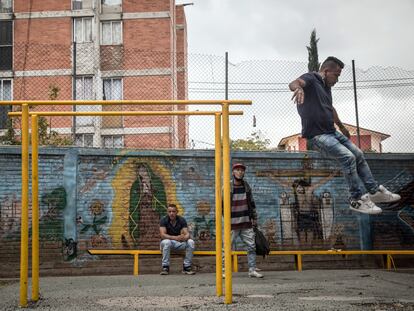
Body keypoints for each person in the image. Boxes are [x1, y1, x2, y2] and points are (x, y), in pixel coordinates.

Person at [289, 56, 400, 215]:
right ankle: (356, 199)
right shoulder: (311, 78)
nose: (337, 80)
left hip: (332, 132)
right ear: (326, 71)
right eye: (337, 75)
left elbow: (330, 108)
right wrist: (298, 88)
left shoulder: (326, 87)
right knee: (348, 157)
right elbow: (294, 83)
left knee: (359, 154)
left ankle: (374, 192)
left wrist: (341, 127)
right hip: (317, 136)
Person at [227, 163, 263, 278]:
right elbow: (222, 204)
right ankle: (224, 270)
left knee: (251, 246)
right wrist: (225, 219)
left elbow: (252, 203)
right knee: (227, 247)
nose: (240, 172)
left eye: (242, 170)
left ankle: (252, 270)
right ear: (233, 172)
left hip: (246, 222)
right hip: (231, 223)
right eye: (237, 170)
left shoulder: (246, 186)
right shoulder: (228, 186)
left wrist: (254, 218)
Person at [159, 204, 195, 275]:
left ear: (177, 212)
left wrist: (184, 237)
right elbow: (163, 235)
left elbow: (187, 233)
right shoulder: (163, 220)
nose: (171, 213)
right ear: (167, 212)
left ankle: (186, 267)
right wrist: (175, 237)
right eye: (169, 211)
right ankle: (165, 267)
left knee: (191, 242)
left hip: (178, 242)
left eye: (173, 211)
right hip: (167, 243)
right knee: (167, 242)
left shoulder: (181, 220)